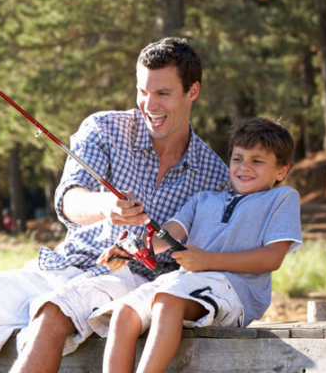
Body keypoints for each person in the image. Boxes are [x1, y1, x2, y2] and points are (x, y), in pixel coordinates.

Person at [0, 37, 230, 373]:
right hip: (61, 266)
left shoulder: (215, 176)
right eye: (142, 91)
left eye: (162, 93)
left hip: (129, 283)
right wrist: (106, 205)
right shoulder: (104, 129)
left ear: (192, 91)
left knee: (50, 313)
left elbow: (200, 262)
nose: (149, 104)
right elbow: (69, 200)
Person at [89, 117, 303, 373]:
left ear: (281, 171)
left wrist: (208, 260)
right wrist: (131, 250)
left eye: (257, 161)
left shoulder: (282, 197)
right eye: (237, 158)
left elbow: (272, 258)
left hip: (233, 290)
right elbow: (166, 235)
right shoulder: (204, 199)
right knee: (124, 312)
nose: (244, 167)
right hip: (183, 282)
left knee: (167, 301)